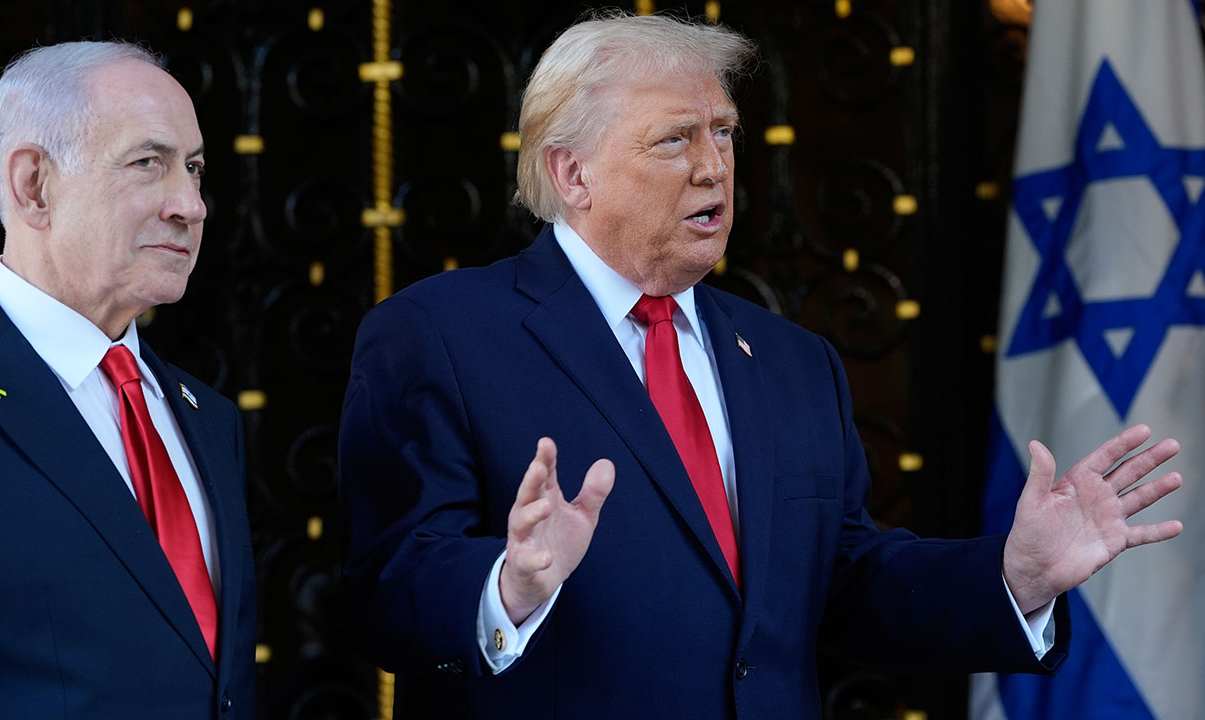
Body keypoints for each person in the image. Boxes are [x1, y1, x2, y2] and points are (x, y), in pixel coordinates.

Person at [338, 13, 1183, 719]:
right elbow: (388, 588)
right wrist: (507, 587)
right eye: (675, 140)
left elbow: (846, 581)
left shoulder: (790, 359)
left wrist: (1012, 577)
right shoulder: (440, 333)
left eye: (724, 134)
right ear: (573, 172)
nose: (714, 166)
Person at [0, 42, 255, 717]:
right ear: (34, 186)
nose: (191, 205)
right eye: (148, 163)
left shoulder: (206, 416)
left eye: (193, 168)